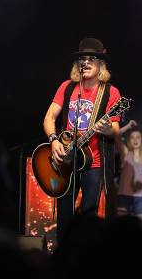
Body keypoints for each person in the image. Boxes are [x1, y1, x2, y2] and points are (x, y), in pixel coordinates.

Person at [42, 37, 121, 243]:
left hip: (93, 162)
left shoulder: (110, 92)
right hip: (66, 160)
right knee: (65, 213)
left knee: (89, 214)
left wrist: (105, 129)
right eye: (82, 60)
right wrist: (54, 141)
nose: (85, 63)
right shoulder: (67, 87)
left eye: (90, 59)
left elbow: (115, 129)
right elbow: (49, 118)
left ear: (100, 64)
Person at [115, 126, 142, 221]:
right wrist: (128, 126)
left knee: (141, 229)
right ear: (129, 140)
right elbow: (116, 136)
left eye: (138, 137)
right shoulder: (126, 154)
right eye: (132, 137)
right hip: (124, 197)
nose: (135, 140)